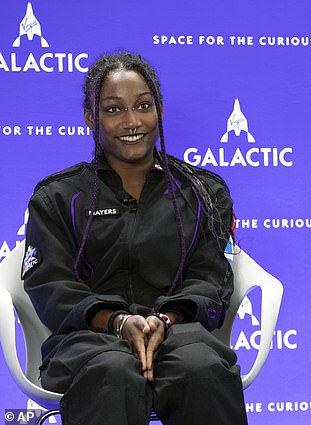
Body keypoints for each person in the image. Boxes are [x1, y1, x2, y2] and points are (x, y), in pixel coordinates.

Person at [22, 52, 248, 425]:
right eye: (113, 110)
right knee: (111, 372)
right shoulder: (58, 197)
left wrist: (165, 319)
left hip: (179, 332)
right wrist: (116, 321)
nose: (132, 122)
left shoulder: (204, 192)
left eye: (143, 106)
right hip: (89, 342)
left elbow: (213, 278)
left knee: (202, 367)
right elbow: (50, 284)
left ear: (158, 110)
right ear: (90, 118)